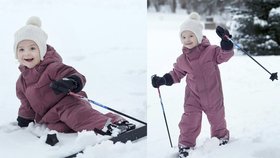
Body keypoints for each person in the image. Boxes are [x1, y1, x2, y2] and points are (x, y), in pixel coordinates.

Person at [14, 16, 135, 136]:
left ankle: (110, 126)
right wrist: (24, 117)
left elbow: (74, 74)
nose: (27, 53)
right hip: (52, 116)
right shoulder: (21, 83)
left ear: (41, 50)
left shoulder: (52, 67)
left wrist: (70, 81)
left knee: (76, 118)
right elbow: (26, 104)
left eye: (32, 48)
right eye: (21, 49)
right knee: (61, 127)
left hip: (70, 104)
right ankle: (110, 120)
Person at [151, 12, 234, 158]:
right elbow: (176, 73)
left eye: (191, 36)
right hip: (193, 96)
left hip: (212, 93)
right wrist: (163, 80)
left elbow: (224, 56)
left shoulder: (211, 51)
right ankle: (186, 145)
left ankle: (221, 137)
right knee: (189, 120)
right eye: (183, 37)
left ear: (198, 36)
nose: (187, 40)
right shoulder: (183, 59)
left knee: (217, 118)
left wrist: (226, 45)